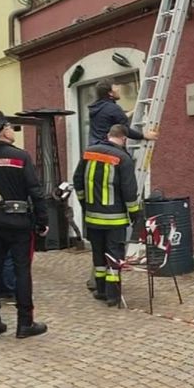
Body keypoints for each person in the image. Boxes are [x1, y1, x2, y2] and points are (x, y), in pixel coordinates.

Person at [0, 111, 49, 339]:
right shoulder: (21, 157)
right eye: (10, 128)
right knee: (22, 270)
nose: (12, 131)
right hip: (19, 222)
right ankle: (25, 323)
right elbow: (35, 191)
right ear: (4, 131)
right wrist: (42, 221)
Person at [74, 124, 143, 307]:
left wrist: (84, 204)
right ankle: (113, 296)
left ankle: (101, 290)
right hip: (115, 220)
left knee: (98, 257)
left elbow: (77, 181)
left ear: (108, 135)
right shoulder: (123, 158)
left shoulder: (89, 153)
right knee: (113, 256)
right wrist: (135, 214)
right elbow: (129, 191)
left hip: (92, 218)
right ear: (124, 139)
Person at [87, 79, 159, 146]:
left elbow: (109, 119)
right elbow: (125, 130)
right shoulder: (113, 108)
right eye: (115, 87)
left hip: (93, 147)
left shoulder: (97, 108)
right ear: (110, 93)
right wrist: (144, 136)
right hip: (107, 147)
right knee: (125, 156)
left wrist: (132, 112)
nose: (118, 89)